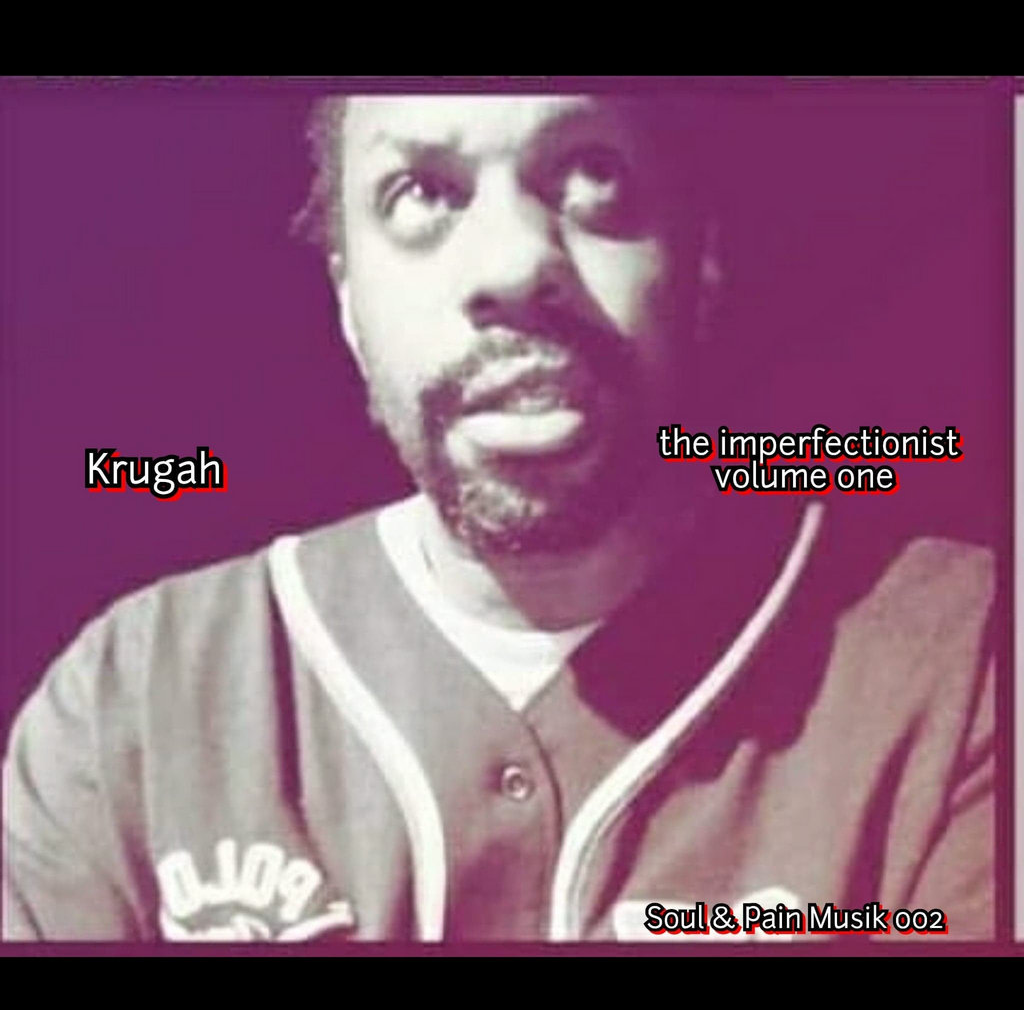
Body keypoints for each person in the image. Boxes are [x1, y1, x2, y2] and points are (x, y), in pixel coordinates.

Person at [2, 93, 996, 943]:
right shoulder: (133, 700)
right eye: (421, 193)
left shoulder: (964, 663)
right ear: (349, 306)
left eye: (593, 174)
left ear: (699, 261)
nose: (515, 262)